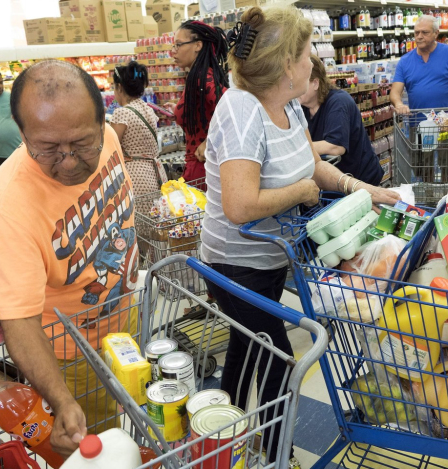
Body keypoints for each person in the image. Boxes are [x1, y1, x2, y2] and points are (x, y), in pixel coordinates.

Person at [202, 6, 400, 467]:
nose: (314, 61)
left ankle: (214, 439)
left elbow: (308, 161)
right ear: (285, 63)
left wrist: (362, 188)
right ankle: (276, 455)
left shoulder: (287, 103)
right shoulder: (242, 112)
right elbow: (239, 204)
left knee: (245, 346)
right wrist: (301, 193)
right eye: (308, 52)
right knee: (275, 355)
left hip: (269, 259)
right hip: (234, 265)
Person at [0, 60, 139, 459]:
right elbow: (20, 322)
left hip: (127, 316)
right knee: (103, 450)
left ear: (103, 121)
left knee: (136, 417)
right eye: (48, 148)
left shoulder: (110, 140)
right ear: (22, 133)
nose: (68, 161)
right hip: (72, 352)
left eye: (83, 143)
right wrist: (62, 400)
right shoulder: (7, 208)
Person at [300, 55, 384, 185]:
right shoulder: (302, 107)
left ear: (315, 83)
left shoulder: (338, 102)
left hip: (361, 179)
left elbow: (336, 147)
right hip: (337, 181)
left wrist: (297, 148)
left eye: (301, 83)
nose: (295, 88)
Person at [165, 20, 229, 187]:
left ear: (198, 45)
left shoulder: (201, 77)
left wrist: (210, 142)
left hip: (204, 170)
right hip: (202, 169)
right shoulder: (197, 76)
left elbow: (233, 108)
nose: (173, 52)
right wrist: (178, 109)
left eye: (178, 45)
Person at [390, 15, 448, 114]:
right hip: (417, 123)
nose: (419, 36)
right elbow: (395, 91)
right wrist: (398, 104)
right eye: (417, 33)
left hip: (445, 123)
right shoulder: (404, 61)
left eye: (425, 32)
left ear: (436, 33)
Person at [109, 61, 166, 196]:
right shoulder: (147, 108)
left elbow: (112, 147)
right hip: (156, 174)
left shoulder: (122, 113)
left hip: (135, 177)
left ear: (119, 87)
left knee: (138, 216)